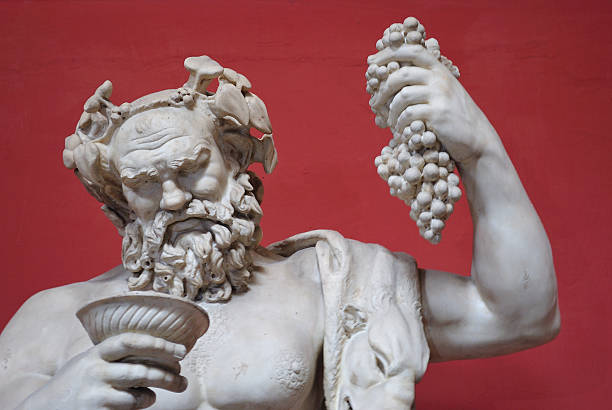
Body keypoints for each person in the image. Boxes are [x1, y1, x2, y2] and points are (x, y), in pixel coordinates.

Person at [0, 31, 560, 410]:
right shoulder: (53, 320)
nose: (171, 199)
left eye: (192, 170)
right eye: (143, 183)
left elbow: (520, 316)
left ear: (236, 161)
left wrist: (482, 152)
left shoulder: (332, 286)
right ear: (120, 198)